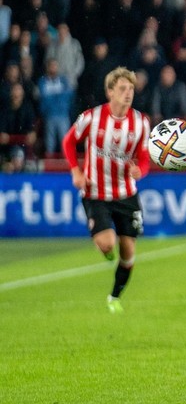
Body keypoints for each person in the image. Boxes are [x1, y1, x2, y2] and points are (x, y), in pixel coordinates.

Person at [61, 68, 151, 313]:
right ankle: (104, 248)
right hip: (95, 192)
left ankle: (114, 297)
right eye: (122, 88)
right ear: (110, 91)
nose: (128, 93)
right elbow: (69, 141)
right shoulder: (92, 118)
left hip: (126, 193)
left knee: (129, 250)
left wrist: (140, 171)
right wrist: (75, 171)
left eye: (131, 89)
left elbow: (144, 157)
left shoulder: (140, 122)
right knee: (108, 244)